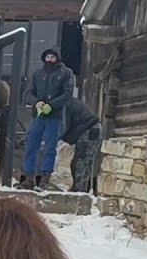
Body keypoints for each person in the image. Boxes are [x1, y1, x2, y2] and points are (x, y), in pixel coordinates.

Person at [19, 48, 76, 191]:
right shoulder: (38, 74)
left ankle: (45, 179)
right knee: (31, 145)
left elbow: (68, 93)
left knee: (50, 148)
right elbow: (28, 93)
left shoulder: (65, 73)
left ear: (58, 58)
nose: (50, 59)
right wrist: (36, 102)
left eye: (53, 57)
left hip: (54, 116)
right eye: (48, 57)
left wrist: (52, 105)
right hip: (37, 115)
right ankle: (28, 178)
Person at [61, 96, 102, 194]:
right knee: (87, 162)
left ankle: (78, 189)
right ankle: (82, 189)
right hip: (96, 128)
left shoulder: (65, 104)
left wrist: (59, 138)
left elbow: (65, 126)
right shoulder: (70, 101)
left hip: (88, 130)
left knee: (81, 161)